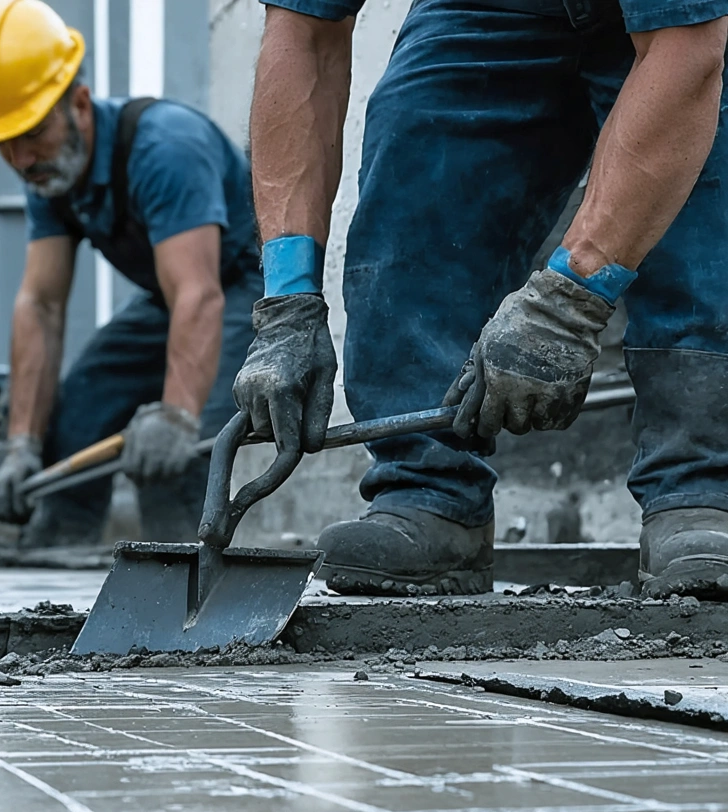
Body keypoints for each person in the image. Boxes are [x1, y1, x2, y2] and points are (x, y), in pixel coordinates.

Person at [235, 0, 728, 598]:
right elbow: (304, 34)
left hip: (689, 21)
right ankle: (427, 496)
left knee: (705, 221)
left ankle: (702, 493)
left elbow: (689, 50)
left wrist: (567, 302)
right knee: (419, 177)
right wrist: (287, 306)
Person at [0, 0, 262, 545]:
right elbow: (41, 305)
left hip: (241, 287)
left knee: (176, 454)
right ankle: (59, 550)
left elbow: (198, 292)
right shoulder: (50, 173)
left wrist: (175, 416)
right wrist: (23, 443)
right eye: (5, 141)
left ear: (79, 103)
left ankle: (188, 582)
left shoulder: (166, 149)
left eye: (32, 133)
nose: (21, 158)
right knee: (81, 407)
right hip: (171, 297)